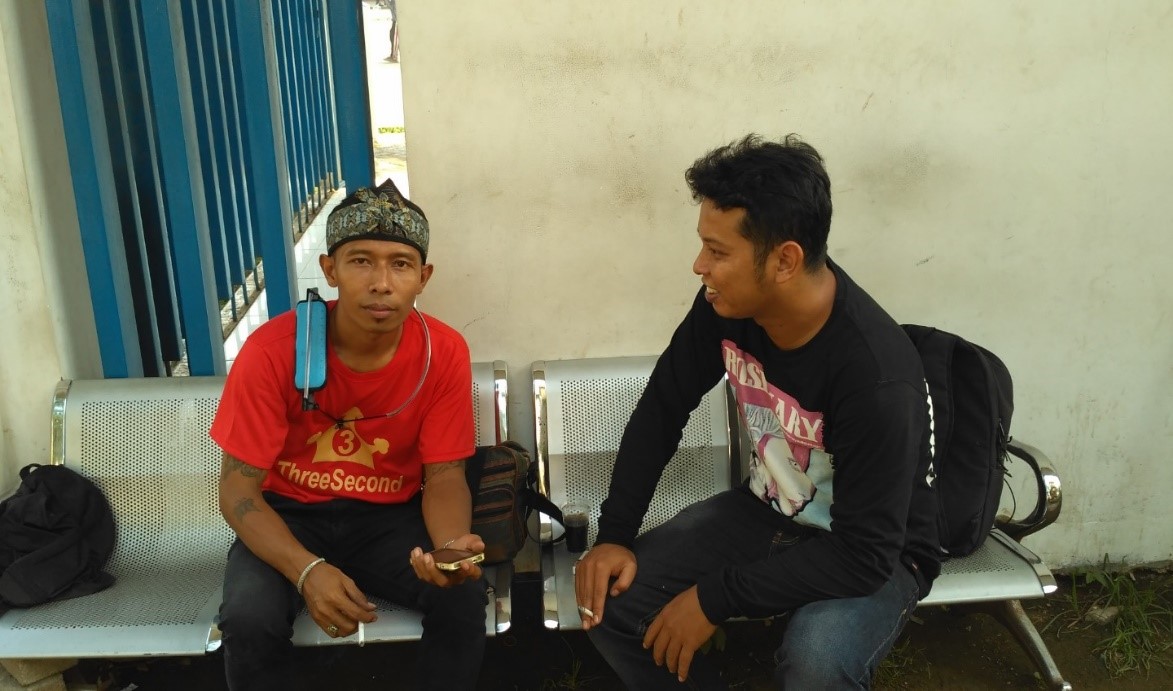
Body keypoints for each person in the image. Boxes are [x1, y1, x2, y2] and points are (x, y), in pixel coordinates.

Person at [575, 135, 941, 689]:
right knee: (613, 602)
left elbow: (864, 555)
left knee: (816, 662)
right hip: (769, 510)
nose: (699, 266)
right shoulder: (726, 307)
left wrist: (714, 598)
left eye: (718, 252)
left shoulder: (876, 377)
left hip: (877, 553)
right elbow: (662, 407)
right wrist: (615, 535)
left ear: (784, 260)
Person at [211, 179, 486, 691]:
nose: (381, 283)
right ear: (329, 269)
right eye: (361, 261)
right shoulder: (273, 351)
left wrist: (450, 551)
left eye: (400, 264)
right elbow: (238, 491)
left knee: (461, 596)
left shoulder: (443, 352)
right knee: (249, 618)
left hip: (389, 518)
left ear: (423, 277)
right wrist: (306, 570)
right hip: (288, 515)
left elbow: (445, 475)